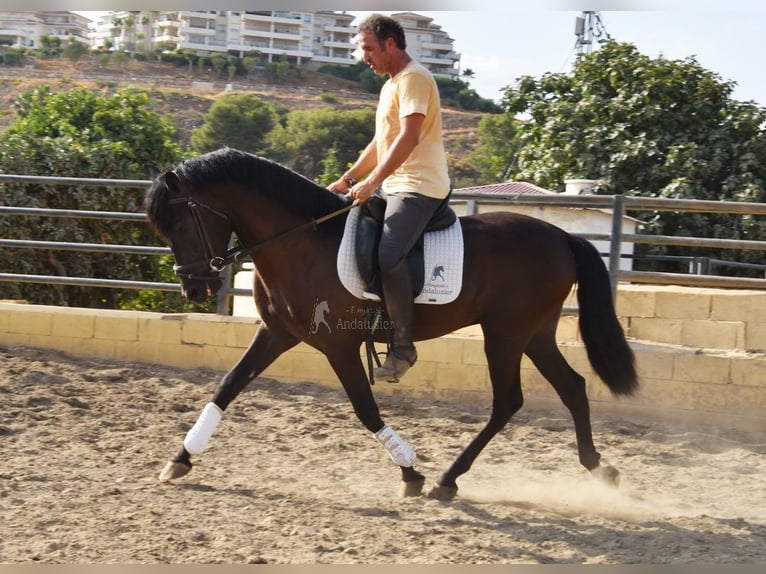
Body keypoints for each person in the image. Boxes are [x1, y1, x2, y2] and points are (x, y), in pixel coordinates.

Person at [328, 14, 451, 382]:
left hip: (419, 187)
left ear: (391, 44)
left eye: (368, 48)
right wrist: (347, 179)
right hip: (393, 185)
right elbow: (380, 143)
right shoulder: (391, 85)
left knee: (389, 253)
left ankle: (402, 349)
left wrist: (372, 183)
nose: (363, 56)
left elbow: (409, 138)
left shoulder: (414, 78)